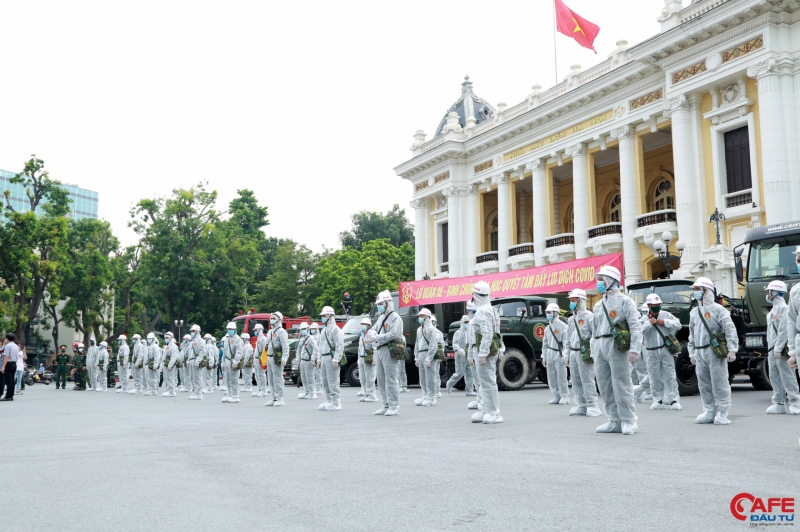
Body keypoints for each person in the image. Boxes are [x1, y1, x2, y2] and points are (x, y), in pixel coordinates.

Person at [592, 265, 643, 435]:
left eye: (602, 279)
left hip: (617, 346)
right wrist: (594, 349)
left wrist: (635, 349)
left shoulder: (626, 301)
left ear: (611, 281)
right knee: (604, 385)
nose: (599, 283)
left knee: (621, 383)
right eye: (598, 279)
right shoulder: (598, 305)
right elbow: (594, 329)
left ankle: (628, 420)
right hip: (600, 344)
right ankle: (613, 420)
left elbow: (635, 326)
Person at [688, 277, 739, 425]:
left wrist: (732, 349)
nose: (695, 292)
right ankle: (709, 410)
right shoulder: (694, 312)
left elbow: (729, 329)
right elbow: (691, 333)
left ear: (707, 291)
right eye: (695, 289)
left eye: (698, 289)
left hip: (714, 351)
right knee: (703, 383)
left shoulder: (718, 309)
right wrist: (691, 351)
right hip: (699, 351)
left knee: (719, 381)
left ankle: (722, 412)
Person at [641, 294, 683, 411]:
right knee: (655, 376)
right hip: (651, 351)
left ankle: (673, 400)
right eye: (655, 305)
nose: (657, 307)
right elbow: (638, 331)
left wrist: (664, 322)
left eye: (659, 304)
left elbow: (678, 325)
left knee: (669, 375)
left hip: (665, 350)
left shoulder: (666, 315)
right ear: (649, 306)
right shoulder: (644, 319)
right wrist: (649, 323)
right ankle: (657, 400)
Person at [470, 281, 504, 424]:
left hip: (486, 351)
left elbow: (487, 333)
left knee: (488, 382)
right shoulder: (490, 309)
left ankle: (494, 412)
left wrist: (483, 353)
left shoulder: (483, 310)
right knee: (484, 382)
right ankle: (486, 409)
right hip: (487, 350)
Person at [764, 281, 800, 415]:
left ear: (775, 292)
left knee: (787, 376)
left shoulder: (783, 308)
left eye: (768, 291)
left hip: (778, 349)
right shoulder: (772, 311)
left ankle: (795, 402)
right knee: (774, 375)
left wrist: (778, 347)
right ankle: (778, 402)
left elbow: (784, 329)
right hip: (771, 349)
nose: (767, 294)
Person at [566, 289, 601, 417]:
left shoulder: (590, 317)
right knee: (575, 380)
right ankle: (581, 404)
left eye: (573, 300)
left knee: (587, 379)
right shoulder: (571, 320)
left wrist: (593, 351)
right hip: (574, 353)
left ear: (580, 301)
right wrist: (566, 353)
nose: (571, 302)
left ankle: (592, 405)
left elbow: (595, 335)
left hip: (585, 351)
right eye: (570, 300)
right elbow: (568, 338)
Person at [371, 291, 404, 416]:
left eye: (380, 303)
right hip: (380, 349)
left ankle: (394, 405)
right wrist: (373, 334)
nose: (379, 306)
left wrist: (378, 337)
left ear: (387, 303)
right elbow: (374, 329)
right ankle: (385, 404)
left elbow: (394, 334)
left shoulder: (395, 317)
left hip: (390, 349)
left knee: (391, 378)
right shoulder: (380, 317)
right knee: (381, 378)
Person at [317, 306, 344, 411]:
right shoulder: (324, 330)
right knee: (325, 380)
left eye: (324, 316)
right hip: (324, 357)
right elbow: (320, 345)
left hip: (331, 357)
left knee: (333, 380)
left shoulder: (336, 330)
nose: (322, 318)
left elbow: (339, 345)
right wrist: (319, 359)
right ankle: (329, 400)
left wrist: (336, 358)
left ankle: (336, 402)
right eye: (322, 316)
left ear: (330, 316)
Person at [542, 303, 570, 405]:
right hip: (550, 353)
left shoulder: (564, 327)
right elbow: (545, 343)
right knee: (551, 376)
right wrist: (544, 356)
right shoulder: (547, 328)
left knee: (561, 375)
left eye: (549, 312)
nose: (547, 314)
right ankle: (556, 395)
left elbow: (566, 342)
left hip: (559, 353)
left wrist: (565, 354)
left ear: (555, 313)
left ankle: (564, 396)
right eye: (546, 312)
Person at [446, 315, 477, 396]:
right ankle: (449, 383)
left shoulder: (470, 333)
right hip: (460, 356)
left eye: (467, 322)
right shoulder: (457, 333)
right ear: (461, 323)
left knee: (470, 373)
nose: (466, 324)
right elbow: (454, 344)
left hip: (469, 355)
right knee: (460, 373)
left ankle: (469, 390)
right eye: (465, 322)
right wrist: (460, 351)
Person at [262, 313, 289, 407]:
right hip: (269, 357)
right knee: (271, 378)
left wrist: (284, 358)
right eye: (271, 318)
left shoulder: (282, 332)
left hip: (276, 357)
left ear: (279, 320)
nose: (271, 319)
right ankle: (274, 397)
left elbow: (285, 346)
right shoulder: (270, 332)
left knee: (278, 378)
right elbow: (266, 346)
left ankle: (280, 398)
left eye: (273, 318)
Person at [414, 308, 438, 407]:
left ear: (427, 317)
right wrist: (416, 357)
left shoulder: (432, 330)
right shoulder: (419, 330)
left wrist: (429, 358)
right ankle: (425, 395)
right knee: (422, 377)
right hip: (420, 354)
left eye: (422, 316)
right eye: (419, 316)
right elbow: (417, 343)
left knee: (430, 377)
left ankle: (431, 397)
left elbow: (433, 344)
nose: (420, 318)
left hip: (428, 354)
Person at [632, 303, 653, 403]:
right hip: (641, 347)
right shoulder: (642, 321)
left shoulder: (647, 320)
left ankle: (648, 391)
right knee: (640, 370)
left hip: (646, 347)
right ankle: (645, 391)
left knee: (649, 370)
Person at [221, 322, 243, 403]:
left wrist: (236, 361)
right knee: (227, 379)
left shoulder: (237, 339)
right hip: (227, 360)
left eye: (231, 329)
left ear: (235, 330)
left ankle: (235, 395)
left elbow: (239, 351)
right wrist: (222, 362)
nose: (230, 331)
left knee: (234, 379)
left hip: (233, 361)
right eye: (228, 329)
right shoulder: (227, 339)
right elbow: (224, 352)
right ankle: (230, 394)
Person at [357, 317, 378, 402]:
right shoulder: (362, 335)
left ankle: (372, 395)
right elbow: (359, 349)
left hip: (369, 358)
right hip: (362, 358)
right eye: (362, 324)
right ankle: (366, 394)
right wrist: (358, 360)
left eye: (364, 324)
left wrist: (375, 359)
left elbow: (375, 347)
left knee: (370, 377)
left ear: (369, 325)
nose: (362, 326)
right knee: (363, 378)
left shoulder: (372, 333)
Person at [465, 301, 481, 410]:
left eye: (470, 311)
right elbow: (469, 342)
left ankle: (483, 400)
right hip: (474, 350)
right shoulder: (471, 323)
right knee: (476, 377)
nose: (468, 313)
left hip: (478, 350)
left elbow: (473, 341)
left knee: (481, 378)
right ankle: (480, 399)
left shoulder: (477, 321)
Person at [295, 322, 318, 400]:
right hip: (303, 361)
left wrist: (313, 359)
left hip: (309, 361)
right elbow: (298, 350)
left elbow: (315, 349)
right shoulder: (301, 340)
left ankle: (312, 393)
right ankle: (307, 392)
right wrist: (298, 359)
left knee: (310, 377)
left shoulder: (311, 339)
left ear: (308, 329)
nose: (302, 331)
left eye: (304, 329)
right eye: (301, 329)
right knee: (304, 377)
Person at [187, 325, 206, 401]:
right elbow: (190, 352)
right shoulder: (193, 341)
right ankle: (194, 392)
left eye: (193, 331)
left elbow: (202, 352)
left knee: (197, 378)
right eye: (191, 331)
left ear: (197, 331)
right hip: (191, 360)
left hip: (196, 360)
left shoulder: (201, 341)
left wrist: (198, 361)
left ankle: (199, 394)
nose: (192, 332)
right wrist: (188, 360)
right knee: (192, 378)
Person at [1, 333, 20, 401]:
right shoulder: (16, 346)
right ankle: (11, 395)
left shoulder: (8, 346)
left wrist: (3, 367)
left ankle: (8, 396)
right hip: (14, 363)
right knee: (12, 381)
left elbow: (6, 356)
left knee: (8, 381)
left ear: (7, 338)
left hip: (8, 364)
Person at [252, 324, 269, 397]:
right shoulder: (258, 339)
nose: (255, 332)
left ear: (260, 330)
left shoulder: (263, 339)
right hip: (256, 359)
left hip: (260, 359)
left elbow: (264, 351)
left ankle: (263, 390)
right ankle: (259, 389)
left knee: (261, 374)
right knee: (257, 375)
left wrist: (261, 359)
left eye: (256, 330)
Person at [160, 332, 178, 397]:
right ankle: (168, 390)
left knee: (171, 378)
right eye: (165, 338)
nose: (166, 339)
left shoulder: (173, 346)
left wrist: (170, 365)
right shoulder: (167, 346)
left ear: (171, 338)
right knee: (166, 378)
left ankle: (172, 391)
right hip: (165, 364)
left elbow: (174, 357)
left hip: (169, 365)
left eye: (167, 338)